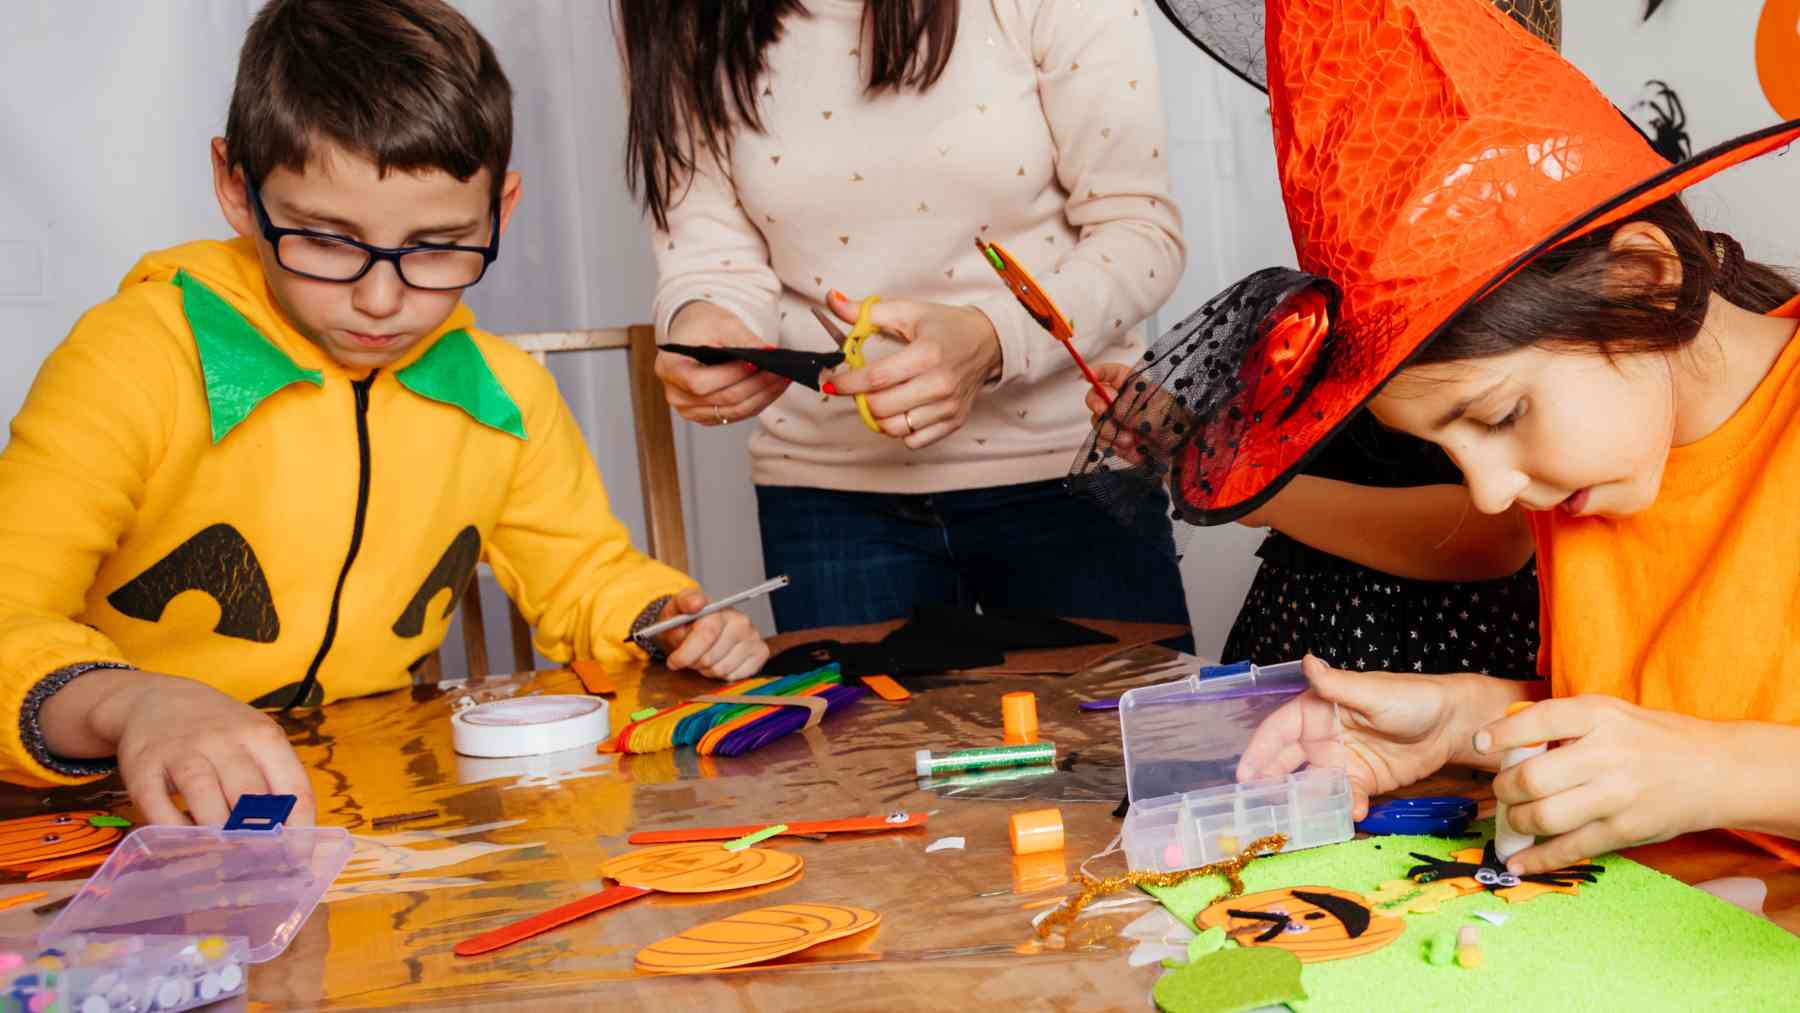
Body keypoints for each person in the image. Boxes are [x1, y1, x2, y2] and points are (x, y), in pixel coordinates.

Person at [0, 0, 768, 826]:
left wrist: (662, 621)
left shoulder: (504, 395)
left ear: (500, 211)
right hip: (120, 819)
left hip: (368, 817)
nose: (380, 300)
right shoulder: (136, 358)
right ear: (236, 185)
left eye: (437, 248)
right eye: (326, 240)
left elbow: (584, 575)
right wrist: (134, 705)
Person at [1101, 0, 1800, 872]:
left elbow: (1705, 748)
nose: (1490, 493)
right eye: (1452, 445)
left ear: (1642, 280)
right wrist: (1462, 720)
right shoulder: (1586, 466)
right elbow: (1666, 713)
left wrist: (1714, 772)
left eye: (1502, 415)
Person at [622, 0, 1193, 637]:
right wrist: (706, 324)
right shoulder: (676, 15)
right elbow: (709, 258)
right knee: (856, 741)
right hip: (825, 498)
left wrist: (993, 339)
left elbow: (1138, 231)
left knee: (1121, 738)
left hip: (1071, 473)